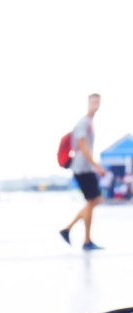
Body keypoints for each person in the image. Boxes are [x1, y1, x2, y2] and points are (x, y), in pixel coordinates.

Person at [60, 93, 106, 250]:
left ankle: (77, 234)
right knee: (94, 201)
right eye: (93, 102)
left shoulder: (90, 122)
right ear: (88, 103)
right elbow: (83, 146)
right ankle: (78, 235)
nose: (96, 105)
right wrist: (97, 166)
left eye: (98, 102)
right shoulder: (84, 122)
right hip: (82, 168)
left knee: (93, 201)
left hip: (85, 168)